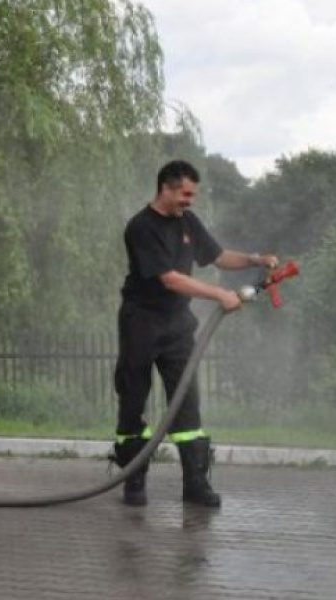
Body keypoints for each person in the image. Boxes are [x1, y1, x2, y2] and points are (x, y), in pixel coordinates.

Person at [111, 159, 278, 508]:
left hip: (177, 326)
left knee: (186, 403)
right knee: (133, 399)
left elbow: (217, 256)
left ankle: (196, 485)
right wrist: (219, 294)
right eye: (185, 194)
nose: (190, 201)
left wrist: (254, 260)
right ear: (166, 188)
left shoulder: (188, 222)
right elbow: (170, 278)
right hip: (141, 323)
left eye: (193, 195)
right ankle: (133, 479)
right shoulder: (141, 227)